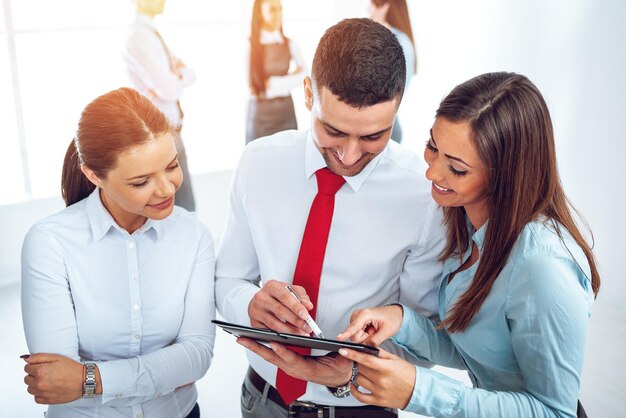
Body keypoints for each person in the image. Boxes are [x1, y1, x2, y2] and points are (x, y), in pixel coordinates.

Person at [216, 18, 445, 418]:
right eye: (333, 131)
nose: (350, 155)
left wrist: (354, 369)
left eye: (373, 136)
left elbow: (425, 335)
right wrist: (249, 304)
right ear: (308, 93)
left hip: (361, 408)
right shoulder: (258, 163)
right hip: (261, 400)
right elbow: (227, 278)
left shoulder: (425, 198)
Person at [335, 72, 600, 418]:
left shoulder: (542, 266)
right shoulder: (464, 224)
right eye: (433, 147)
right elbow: (480, 350)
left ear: (506, 174)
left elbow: (555, 412)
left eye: (457, 169)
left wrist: (418, 390)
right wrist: (402, 321)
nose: (431, 174)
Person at [21, 87, 215, 418]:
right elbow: (56, 382)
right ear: (94, 175)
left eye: (172, 166)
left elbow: (196, 356)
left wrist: (89, 378)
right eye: (141, 182)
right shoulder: (50, 242)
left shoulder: (193, 235)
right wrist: (163, 373)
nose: (167, 189)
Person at [123, 0, 196, 211]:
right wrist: (175, 75)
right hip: (160, 135)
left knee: (185, 209)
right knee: (180, 211)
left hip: (171, 132)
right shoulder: (140, 37)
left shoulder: (151, 34)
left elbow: (190, 75)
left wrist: (175, 76)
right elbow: (169, 89)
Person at [246, 0, 307, 144]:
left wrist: (272, 82)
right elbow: (254, 88)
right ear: (260, 14)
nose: (278, 14)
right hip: (260, 117)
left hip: (286, 113)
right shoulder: (249, 46)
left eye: (280, 9)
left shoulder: (290, 43)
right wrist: (289, 79)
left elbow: (304, 75)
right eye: (272, 10)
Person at [369, 0, 416, 144]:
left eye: (372, 5)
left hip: (385, 126)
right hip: (374, 124)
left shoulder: (400, 42)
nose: (369, 10)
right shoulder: (381, 37)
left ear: (385, 7)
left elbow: (393, 90)